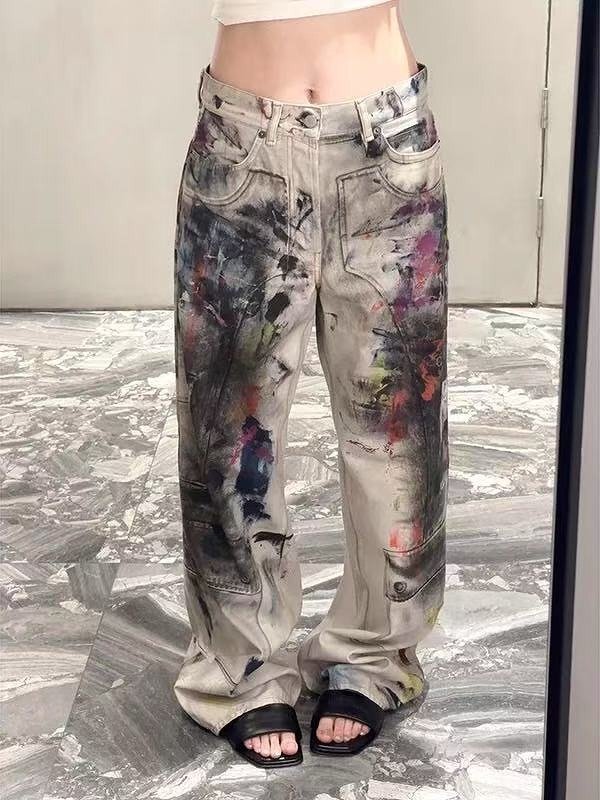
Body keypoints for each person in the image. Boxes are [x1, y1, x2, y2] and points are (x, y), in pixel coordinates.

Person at [172, 0, 449, 768]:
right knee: (229, 437)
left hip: (385, 141)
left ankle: (374, 654)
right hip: (245, 145)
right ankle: (239, 667)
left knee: (397, 434)